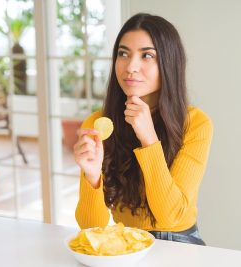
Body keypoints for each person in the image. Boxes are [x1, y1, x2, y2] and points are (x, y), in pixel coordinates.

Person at [73, 13, 213, 246]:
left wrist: (148, 138)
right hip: (124, 243)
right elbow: (91, 227)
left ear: (169, 62)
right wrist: (92, 176)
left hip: (178, 242)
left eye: (146, 55)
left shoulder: (196, 124)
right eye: (123, 53)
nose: (131, 67)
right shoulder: (97, 124)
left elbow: (170, 217)